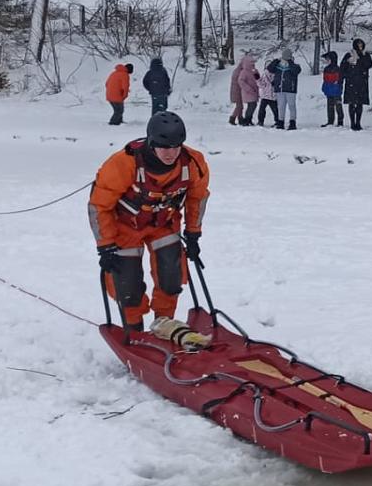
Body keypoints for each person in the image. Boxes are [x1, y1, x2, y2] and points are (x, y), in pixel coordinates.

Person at [90, 112, 211, 347]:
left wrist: (193, 232)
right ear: (151, 143)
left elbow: (198, 197)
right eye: (164, 147)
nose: (171, 153)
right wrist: (105, 245)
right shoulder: (123, 164)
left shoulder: (193, 162)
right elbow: (99, 206)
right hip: (125, 226)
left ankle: (163, 325)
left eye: (176, 146)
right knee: (127, 283)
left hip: (164, 223)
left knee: (171, 274)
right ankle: (134, 331)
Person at [342, 40, 372, 131]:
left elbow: (369, 64)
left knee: (360, 103)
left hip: (362, 82)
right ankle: (352, 122)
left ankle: (358, 122)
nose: (360, 46)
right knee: (351, 103)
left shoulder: (366, 55)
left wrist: (361, 57)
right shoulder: (349, 55)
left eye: (361, 44)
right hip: (351, 81)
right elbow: (343, 67)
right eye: (358, 44)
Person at [268, 50, 301, 131]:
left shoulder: (295, 66)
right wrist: (275, 61)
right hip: (280, 89)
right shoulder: (278, 66)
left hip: (290, 89)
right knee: (281, 106)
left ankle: (292, 122)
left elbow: (296, 71)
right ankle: (280, 121)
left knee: (291, 106)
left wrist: (290, 62)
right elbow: (270, 69)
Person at [229, 51, 259, 126]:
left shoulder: (247, 70)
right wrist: (247, 89)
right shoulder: (240, 72)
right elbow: (239, 82)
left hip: (242, 91)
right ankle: (234, 118)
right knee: (240, 106)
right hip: (238, 91)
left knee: (241, 106)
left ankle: (239, 118)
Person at [319, 52, 343, 127]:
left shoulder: (338, 69)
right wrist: (324, 88)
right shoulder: (326, 69)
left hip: (336, 91)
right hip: (329, 91)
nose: (326, 61)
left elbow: (340, 81)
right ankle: (330, 121)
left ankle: (340, 121)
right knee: (330, 107)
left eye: (328, 59)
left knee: (338, 107)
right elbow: (325, 80)